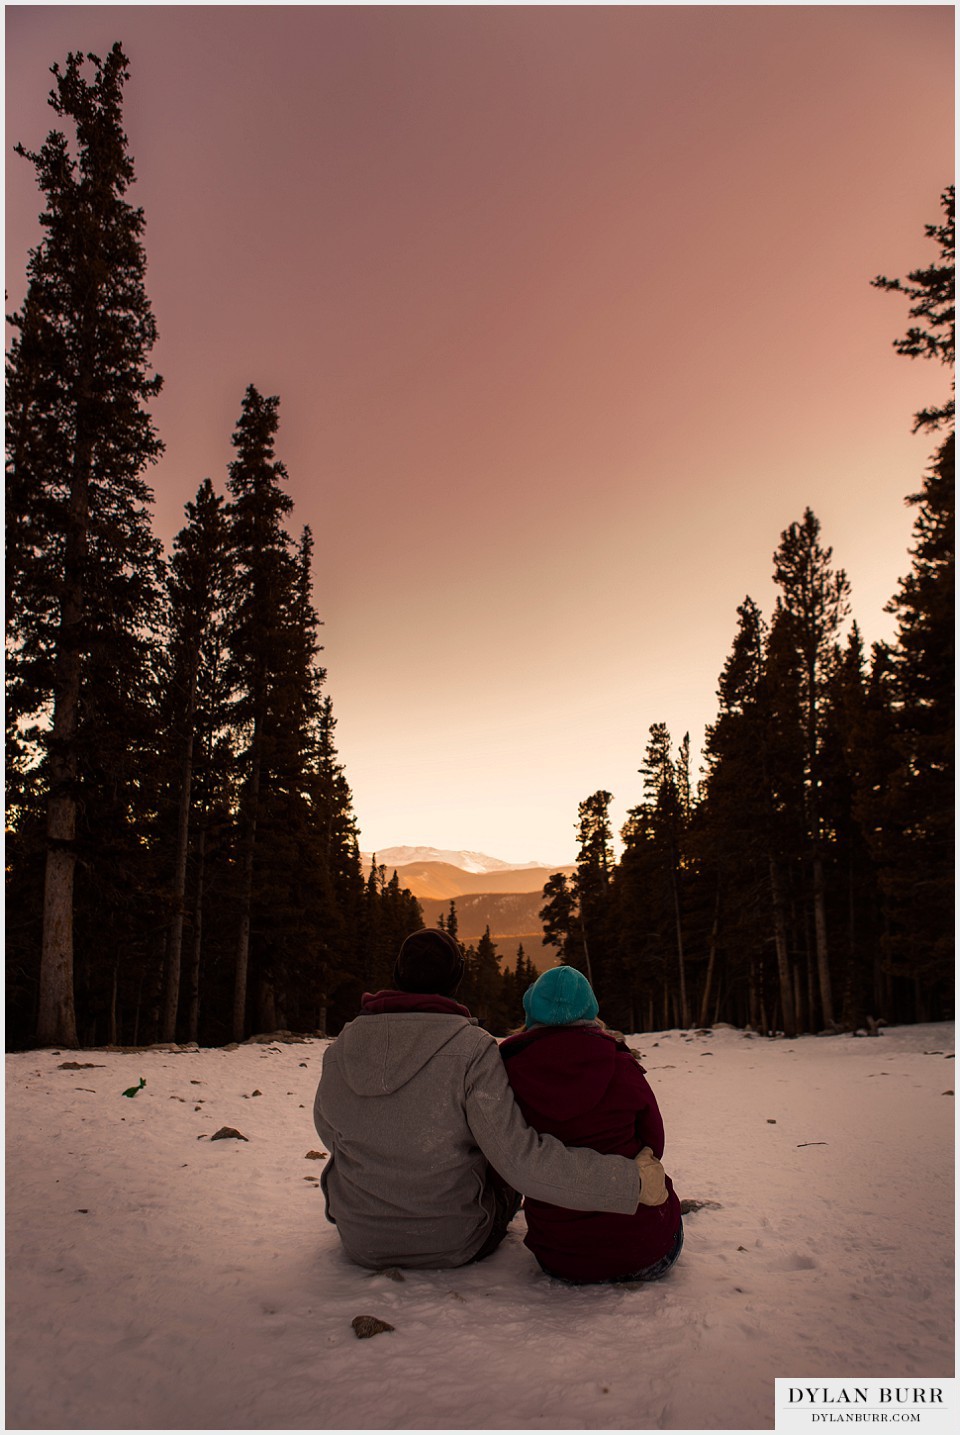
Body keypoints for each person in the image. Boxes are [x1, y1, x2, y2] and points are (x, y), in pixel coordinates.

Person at [313, 928, 668, 1270]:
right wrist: (630, 1181)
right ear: (457, 979)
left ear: (396, 976)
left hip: (361, 1241)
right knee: (494, 1156)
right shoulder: (470, 1049)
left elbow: (329, 1131)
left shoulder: (342, 1048)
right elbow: (518, 1161)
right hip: (455, 1241)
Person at [499, 964, 683, 1284]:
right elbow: (655, 1143)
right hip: (647, 1249)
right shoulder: (620, 1064)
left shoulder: (510, 1071)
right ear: (589, 1011)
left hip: (558, 1255)